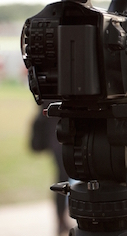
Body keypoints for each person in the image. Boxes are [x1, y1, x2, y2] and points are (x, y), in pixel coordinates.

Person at [30, 100, 71, 236]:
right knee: (63, 179)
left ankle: (61, 220)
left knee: (63, 177)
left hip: (59, 132)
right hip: (58, 133)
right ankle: (60, 220)